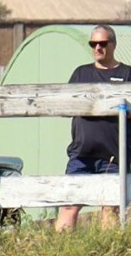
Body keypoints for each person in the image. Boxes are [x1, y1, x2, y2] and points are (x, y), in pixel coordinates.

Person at [56, 25, 131, 231]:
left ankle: (107, 252)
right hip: (81, 155)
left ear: (113, 45)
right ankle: (61, 252)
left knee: (110, 208)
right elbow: (63, 105)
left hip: (114, 156)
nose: (97, 47)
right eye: (93, 44)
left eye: (102, 43)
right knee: (70, 205)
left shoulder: (127, 74)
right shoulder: (81, 73)